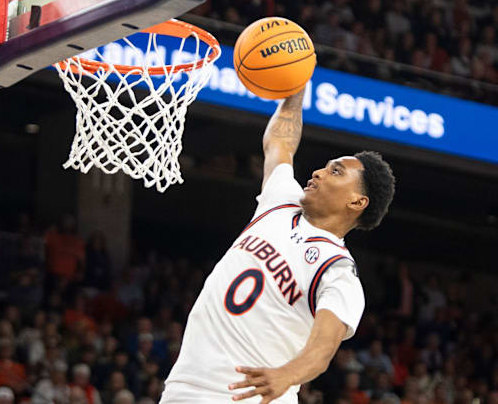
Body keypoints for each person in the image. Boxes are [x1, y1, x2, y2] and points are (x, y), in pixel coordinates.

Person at [161, 89, 396, 403]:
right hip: (184, 390)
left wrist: (288, 374)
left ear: (357, 201)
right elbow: (280, 143)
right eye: (326, 166)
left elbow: (323, 347)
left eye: (336, 171)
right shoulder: (282, 200)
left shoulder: (338, 271)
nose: (318, 173)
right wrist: (296, 88)